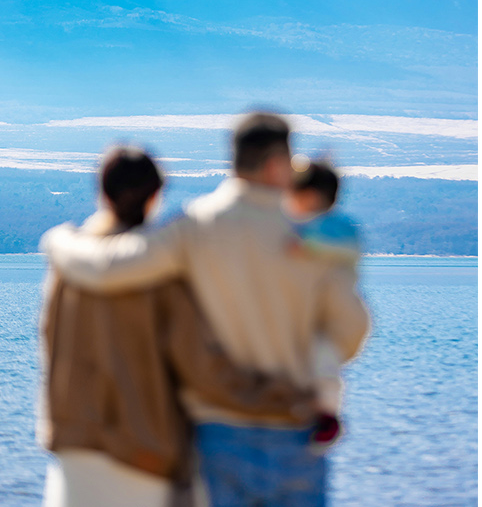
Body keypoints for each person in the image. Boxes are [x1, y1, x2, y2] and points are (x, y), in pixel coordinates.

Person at [42, 112, 371, 506]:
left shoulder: (196, 225)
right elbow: (351, 334)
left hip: (218, 437)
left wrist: (59, 241)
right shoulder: (311, 235)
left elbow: (109, 266)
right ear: (277, 164)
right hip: (295, 430)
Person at [286, 157, 358, 450]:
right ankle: (326, 414)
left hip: (323, 315)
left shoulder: (329, 228)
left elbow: (338, 250)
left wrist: (303, 246)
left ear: (309, 197)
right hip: (327, 315)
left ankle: (326, 415)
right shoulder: (340, 225)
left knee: (323, 362)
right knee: (325, 365)